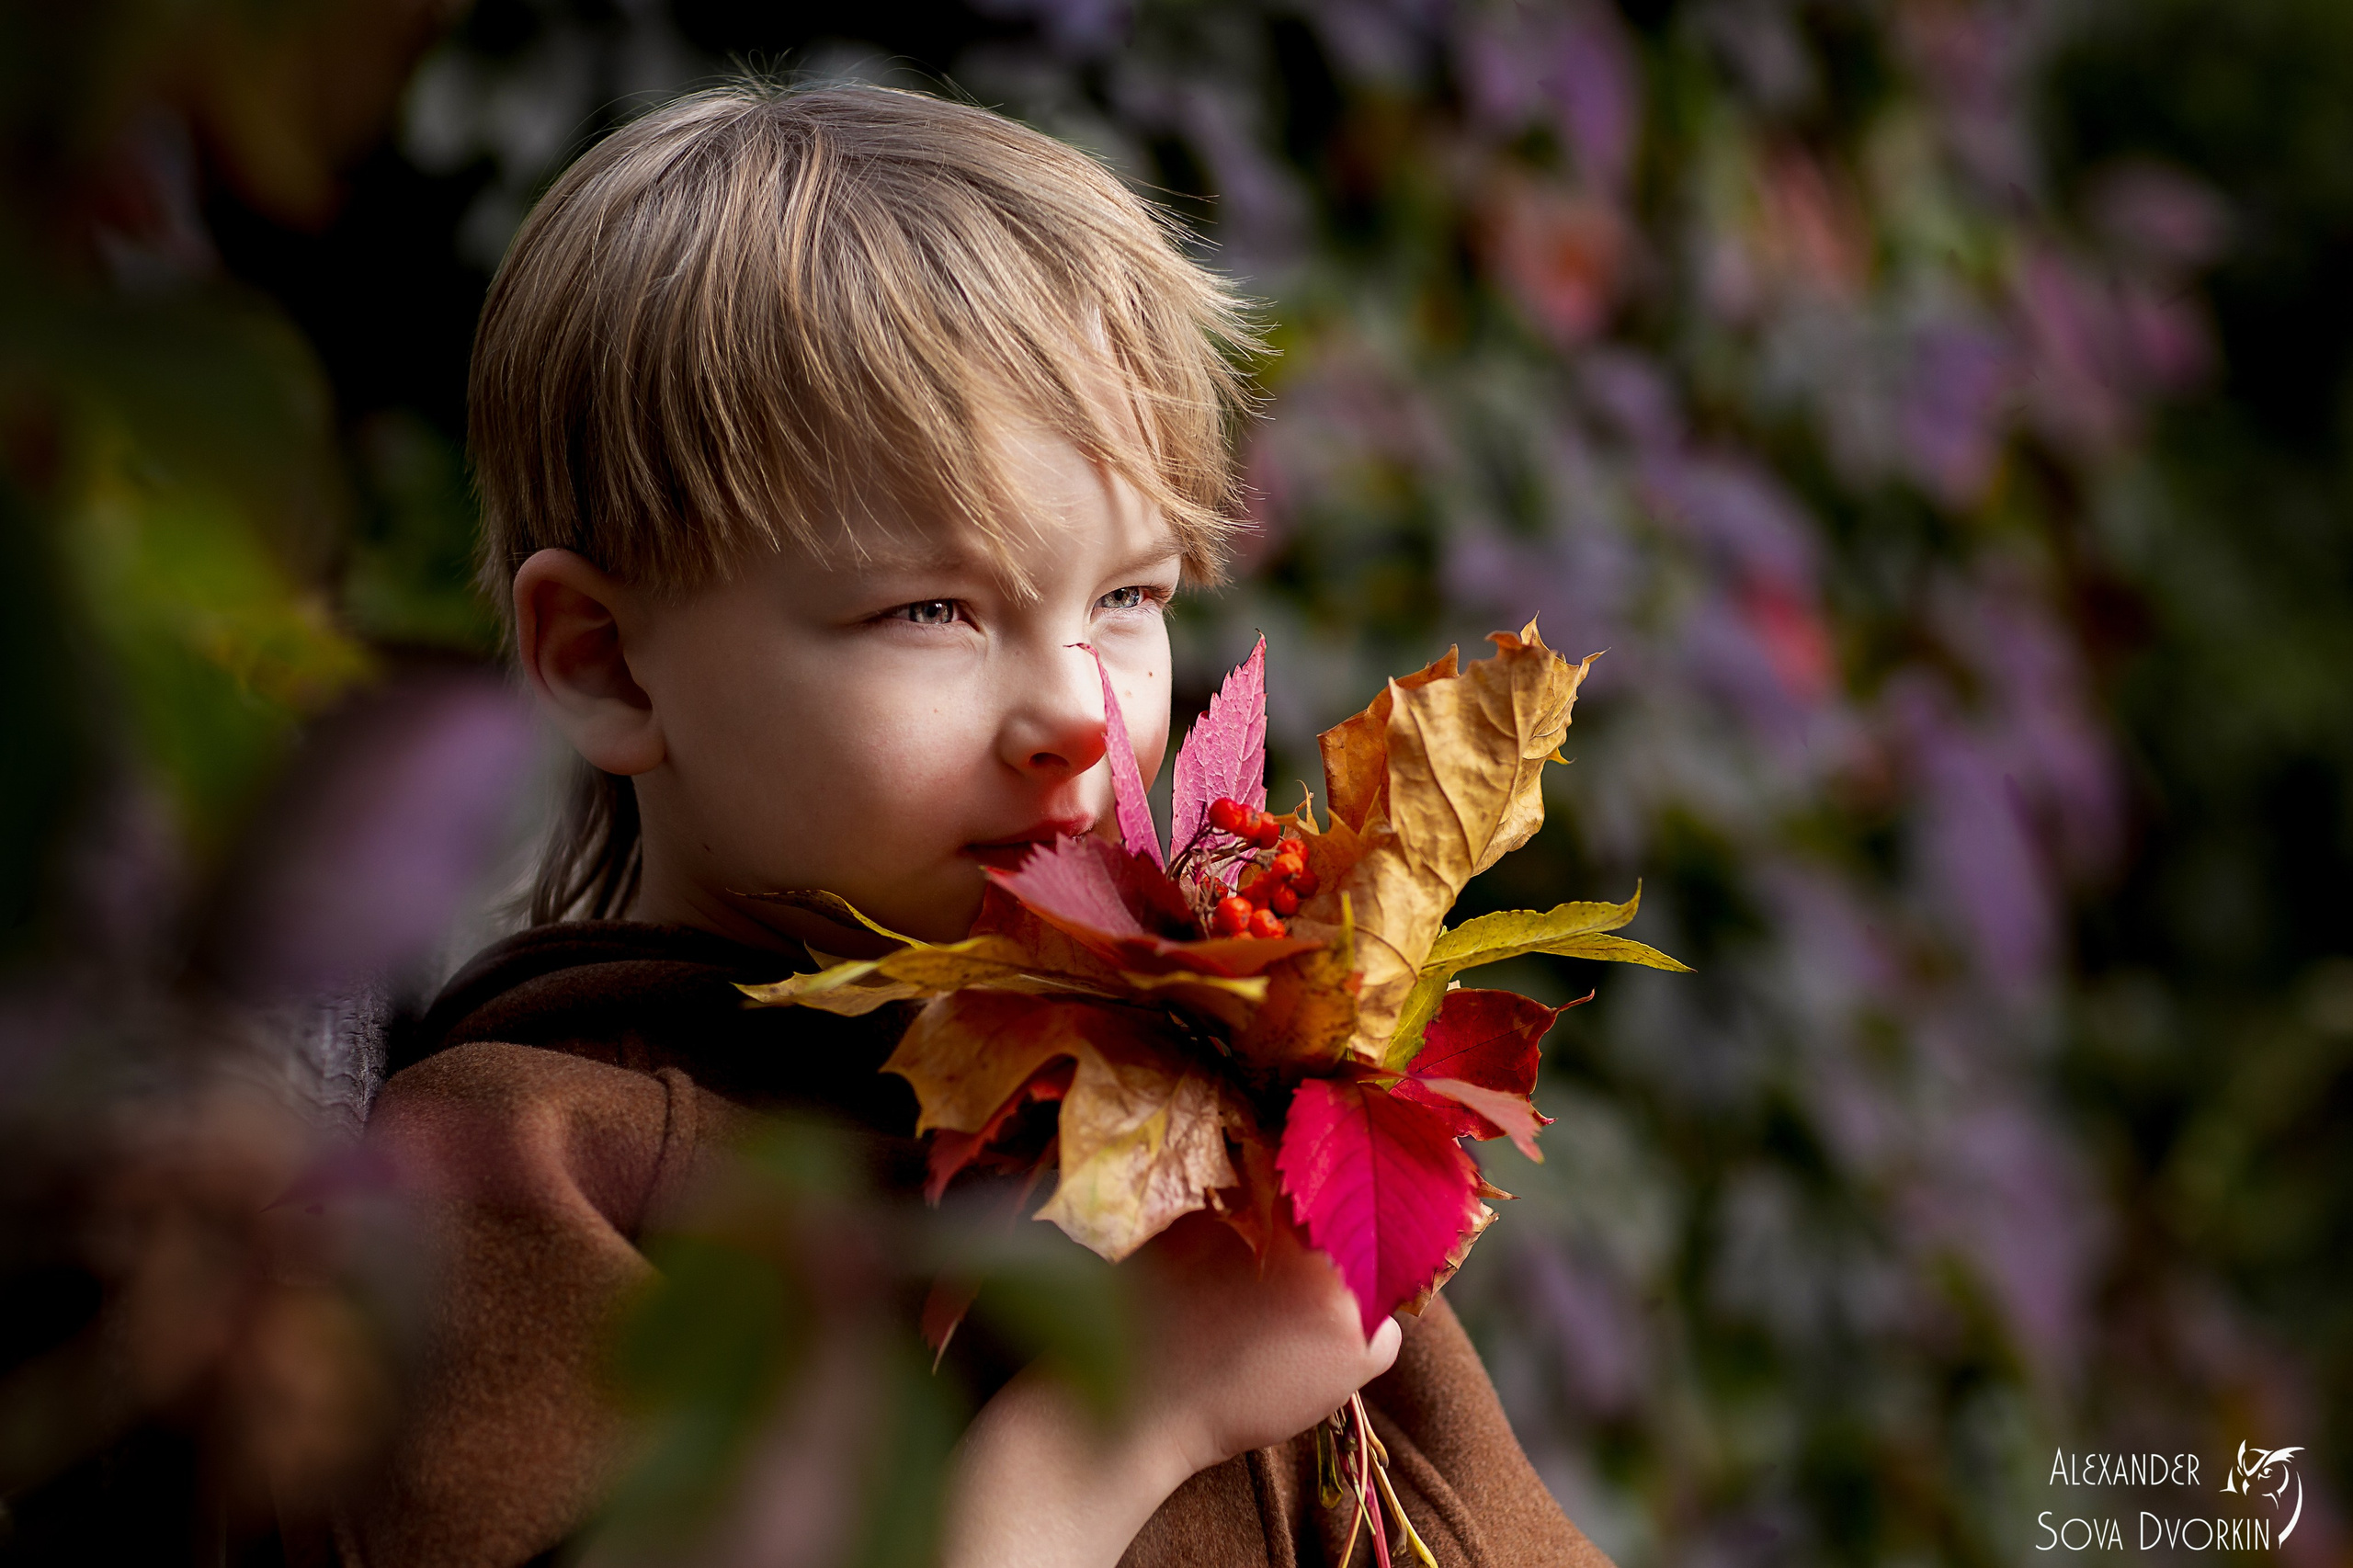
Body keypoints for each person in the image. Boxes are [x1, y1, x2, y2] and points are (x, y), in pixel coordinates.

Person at [347, 78, 1614, 1568]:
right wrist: (1119, 1422)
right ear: (605, 660)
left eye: (1129, 596)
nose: (1080, 710)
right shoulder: (532, 1174)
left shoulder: (1224, 1108)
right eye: (933, 608)